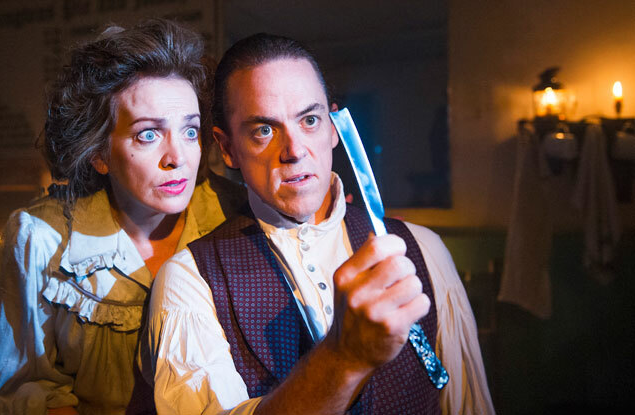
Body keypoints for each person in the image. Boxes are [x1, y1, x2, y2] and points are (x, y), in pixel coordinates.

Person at [145, 33, 495, 414]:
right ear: (227, 148)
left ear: (333, 128)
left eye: (309, 120)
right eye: (264, 130)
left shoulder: (422, 249)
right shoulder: (190, 281)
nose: (294, 150)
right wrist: (344, 357)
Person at [0, 19, 245, 415]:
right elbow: (25, 388)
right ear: (99, 154)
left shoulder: (234, 216)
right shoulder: (41, 238)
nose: (177, 158)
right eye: (148, 134)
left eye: (190, 131)